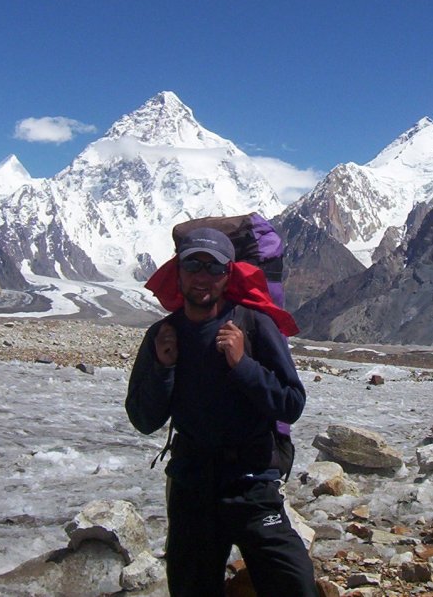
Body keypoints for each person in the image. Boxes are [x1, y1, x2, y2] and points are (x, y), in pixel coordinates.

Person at [125, 227, 317, 596]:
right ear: (177, 271)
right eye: (193, 264)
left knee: (295, 585)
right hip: (192, 485)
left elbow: (291, 404)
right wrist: (164, 368)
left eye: (214, 268)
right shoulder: (163, 336)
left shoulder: (253, 325)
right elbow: (144, 419)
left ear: (229, 274)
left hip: (252, 482)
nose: (202, 276)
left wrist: (242, 363)